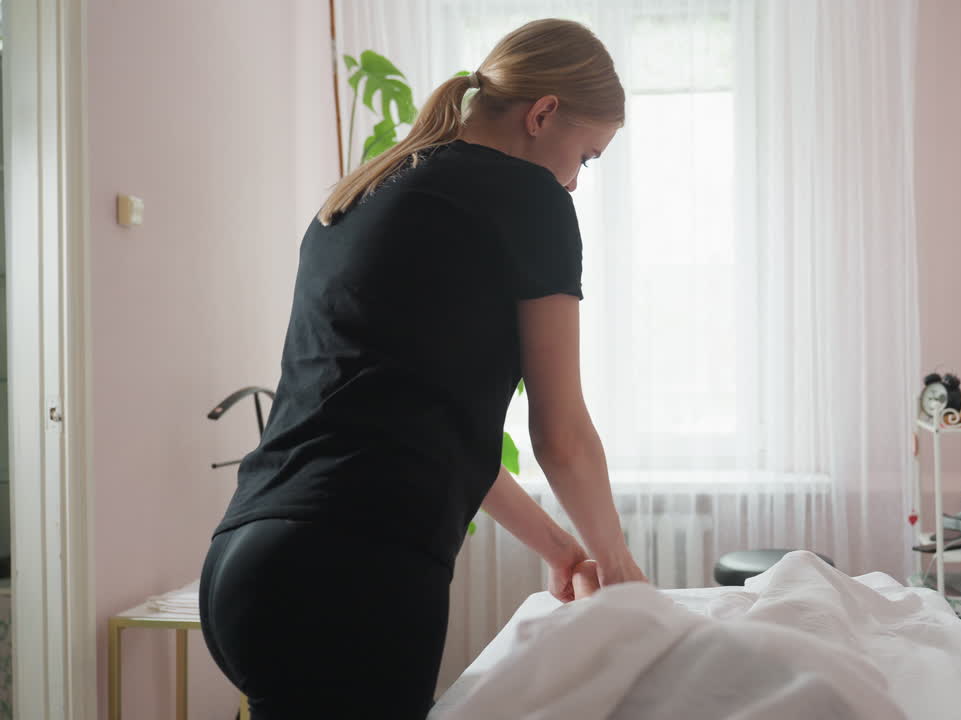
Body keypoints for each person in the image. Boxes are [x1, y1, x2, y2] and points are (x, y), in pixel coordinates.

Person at [198, 18, 645, 720]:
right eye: (586, 157)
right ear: (543, 113)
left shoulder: (360, 194)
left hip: (244, 565)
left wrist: (560, 548)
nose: (575, 182)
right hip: (351, 571)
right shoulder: (531, 200)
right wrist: (621, 574)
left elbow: (438, 429)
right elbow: (561, 432)